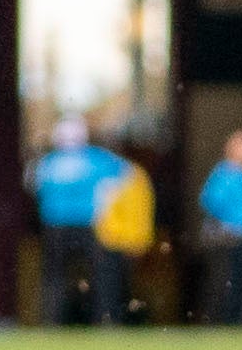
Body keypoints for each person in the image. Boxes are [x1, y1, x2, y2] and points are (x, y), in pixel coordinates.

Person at [32, 118, 115, 325]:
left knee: (54, 276)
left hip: (56, 226)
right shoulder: (98, 160)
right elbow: (124, 176)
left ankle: (52, 322)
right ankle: (104, 321)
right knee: (100, 276)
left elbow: (35, 186)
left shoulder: (48, 163)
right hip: (89, 225)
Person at [198, 131, 242, 325]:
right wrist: (229, 223)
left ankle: (237, 320)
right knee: (222, 281)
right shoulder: (225, 174)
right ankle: (218, 320)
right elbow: (210, 200)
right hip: (226, 237)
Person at [94, 147, 152, 326]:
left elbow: (139, 212)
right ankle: (109, 320)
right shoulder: (133, 176)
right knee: (112, 285)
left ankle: (113, 321)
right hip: (115, 239)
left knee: (117, 285)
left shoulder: (119, 176)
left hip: (117, 239)